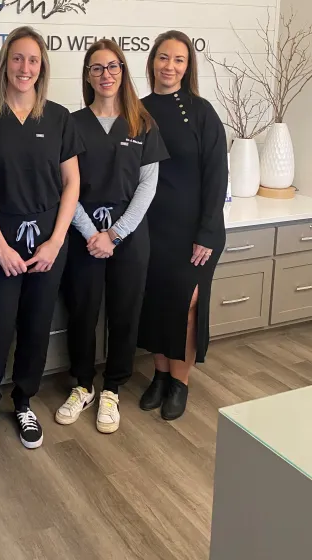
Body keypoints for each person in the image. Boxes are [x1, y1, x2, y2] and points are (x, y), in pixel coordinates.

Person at [0, 26, 82, 457]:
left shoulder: (58, 118)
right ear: (5, 63)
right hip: (3, 240)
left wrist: (54, 242)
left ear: (42, 68)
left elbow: (71, 184)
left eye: (33, 60)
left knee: (36, 327)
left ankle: (23, 401)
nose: (25, 67)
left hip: (49, 242)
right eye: (18, 58)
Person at [55, 40, 168, 433]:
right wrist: (92, 233)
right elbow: (66, 185)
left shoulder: (142, 122)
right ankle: (83, 385)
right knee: (82, 313)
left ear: (123, 72)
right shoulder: (72, 123)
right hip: (83, 234)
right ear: (87, 75)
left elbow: (148, 187)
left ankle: (112, 389)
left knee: (124, 314)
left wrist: (115, 235)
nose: (106, 75)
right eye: (97, 68)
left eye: (113, 66)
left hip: (130, 236)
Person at [139, 30, 228, 420]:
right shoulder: (136, 109)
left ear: (188, 66)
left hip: (196, 231)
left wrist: (207, 232)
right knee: (157, 304)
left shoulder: (201, 111)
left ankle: (180, 382)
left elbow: (217, 175)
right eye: (163, 58)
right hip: (149, 228)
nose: (169, 66)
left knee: (188, 306)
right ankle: (159, 375)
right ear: (152, 62)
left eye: (178, 60)